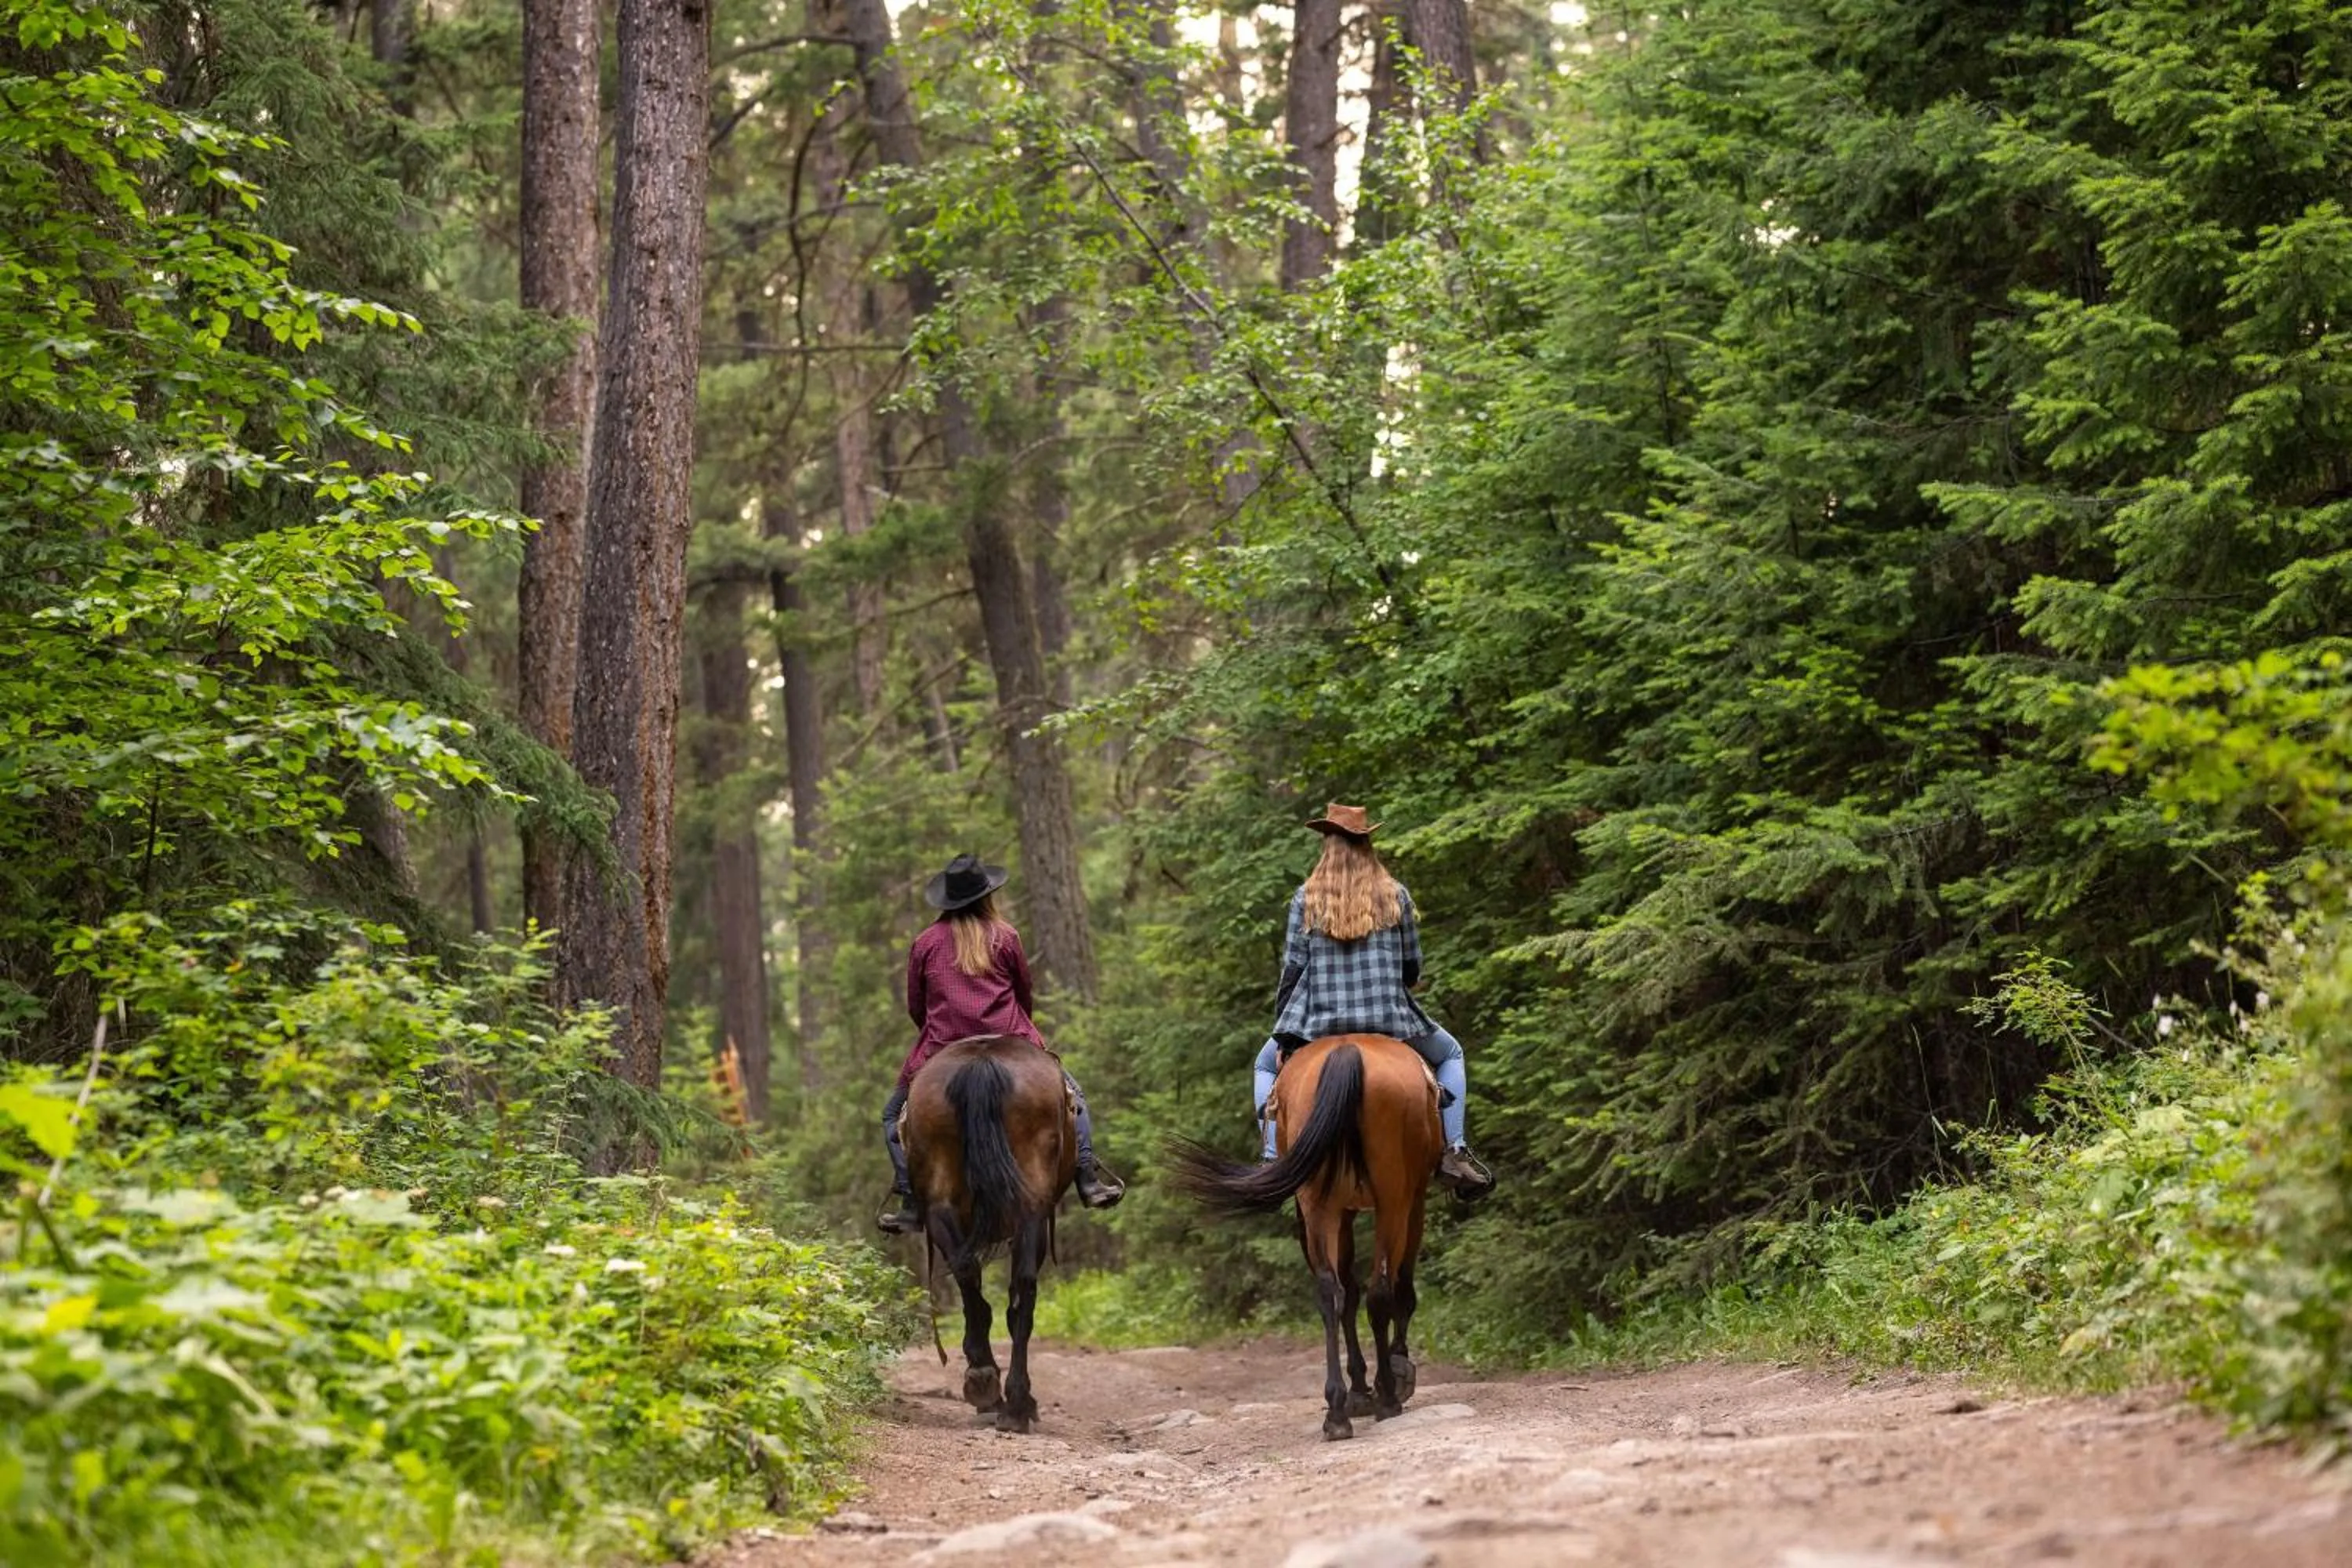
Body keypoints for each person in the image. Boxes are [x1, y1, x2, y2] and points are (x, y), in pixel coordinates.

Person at [1255, 804, 1494, 1197]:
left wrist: (1285, 1037)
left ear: (1328, 846)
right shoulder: (1395, 895)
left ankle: (1271, 1158)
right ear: (1367, 845)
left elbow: (1293, 970)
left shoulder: (1305, 898)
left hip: (1318, 1024)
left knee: (1265, 1065)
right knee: (1451, 1054)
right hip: (1389, 1020)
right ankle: (1455, 1151)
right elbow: (1412, 967)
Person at [878, 853, 1125, 1233]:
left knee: (892, 1116)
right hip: (1010, 1037)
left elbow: (916, 1006)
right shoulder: (1005, 935)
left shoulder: (925, 943)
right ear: (986, 895)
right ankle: (1088, 1179)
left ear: (947, 899)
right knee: (1075, 1098)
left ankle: (910, 1200)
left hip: (943, 1044)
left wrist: (942, 1034)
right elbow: (1024, 994)